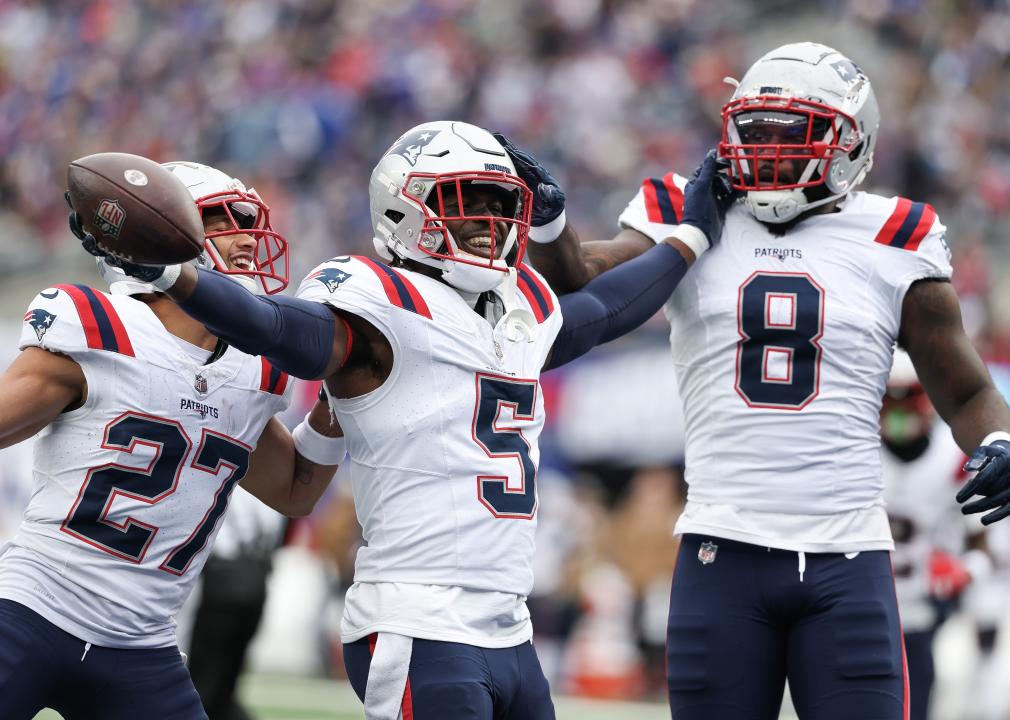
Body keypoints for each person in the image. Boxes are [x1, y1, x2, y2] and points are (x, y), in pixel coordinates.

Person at [77, 120, 735, 719]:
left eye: (499, 203)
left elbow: (606, 311)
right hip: (418, 622)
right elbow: (281, 327)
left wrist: (691, 238)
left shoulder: (518, 305)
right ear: (404, 207)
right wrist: (179, 279)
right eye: (466, 202)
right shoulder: (377, 301)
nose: (489, 219)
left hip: (508, 628)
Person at [507, 42, 1010, 719]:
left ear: (848, 144)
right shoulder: (687, 208)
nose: (763, 149)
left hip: (849, 556)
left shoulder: (895, 235)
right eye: (754, 130)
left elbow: (966, 387)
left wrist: (999, 437)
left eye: (789, 132)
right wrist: (550, 221)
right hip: (723, 548)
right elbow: (576, 279)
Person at [0, 161, 339, 720]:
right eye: (227, 222)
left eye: (250, 222)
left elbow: (296, 492)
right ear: (158, 232)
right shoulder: (100, 328)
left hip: (142, 647)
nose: (249, 240)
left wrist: (336, 411)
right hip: (34, 610)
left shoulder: (254, 369)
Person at [880, 349, 991, 720]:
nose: (897, 408)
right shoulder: (854, 451)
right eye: (889, 397)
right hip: (860, 604)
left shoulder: (955, 458)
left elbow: (985, 548)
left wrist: (964, 570)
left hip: (924, 614)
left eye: (907, 395)